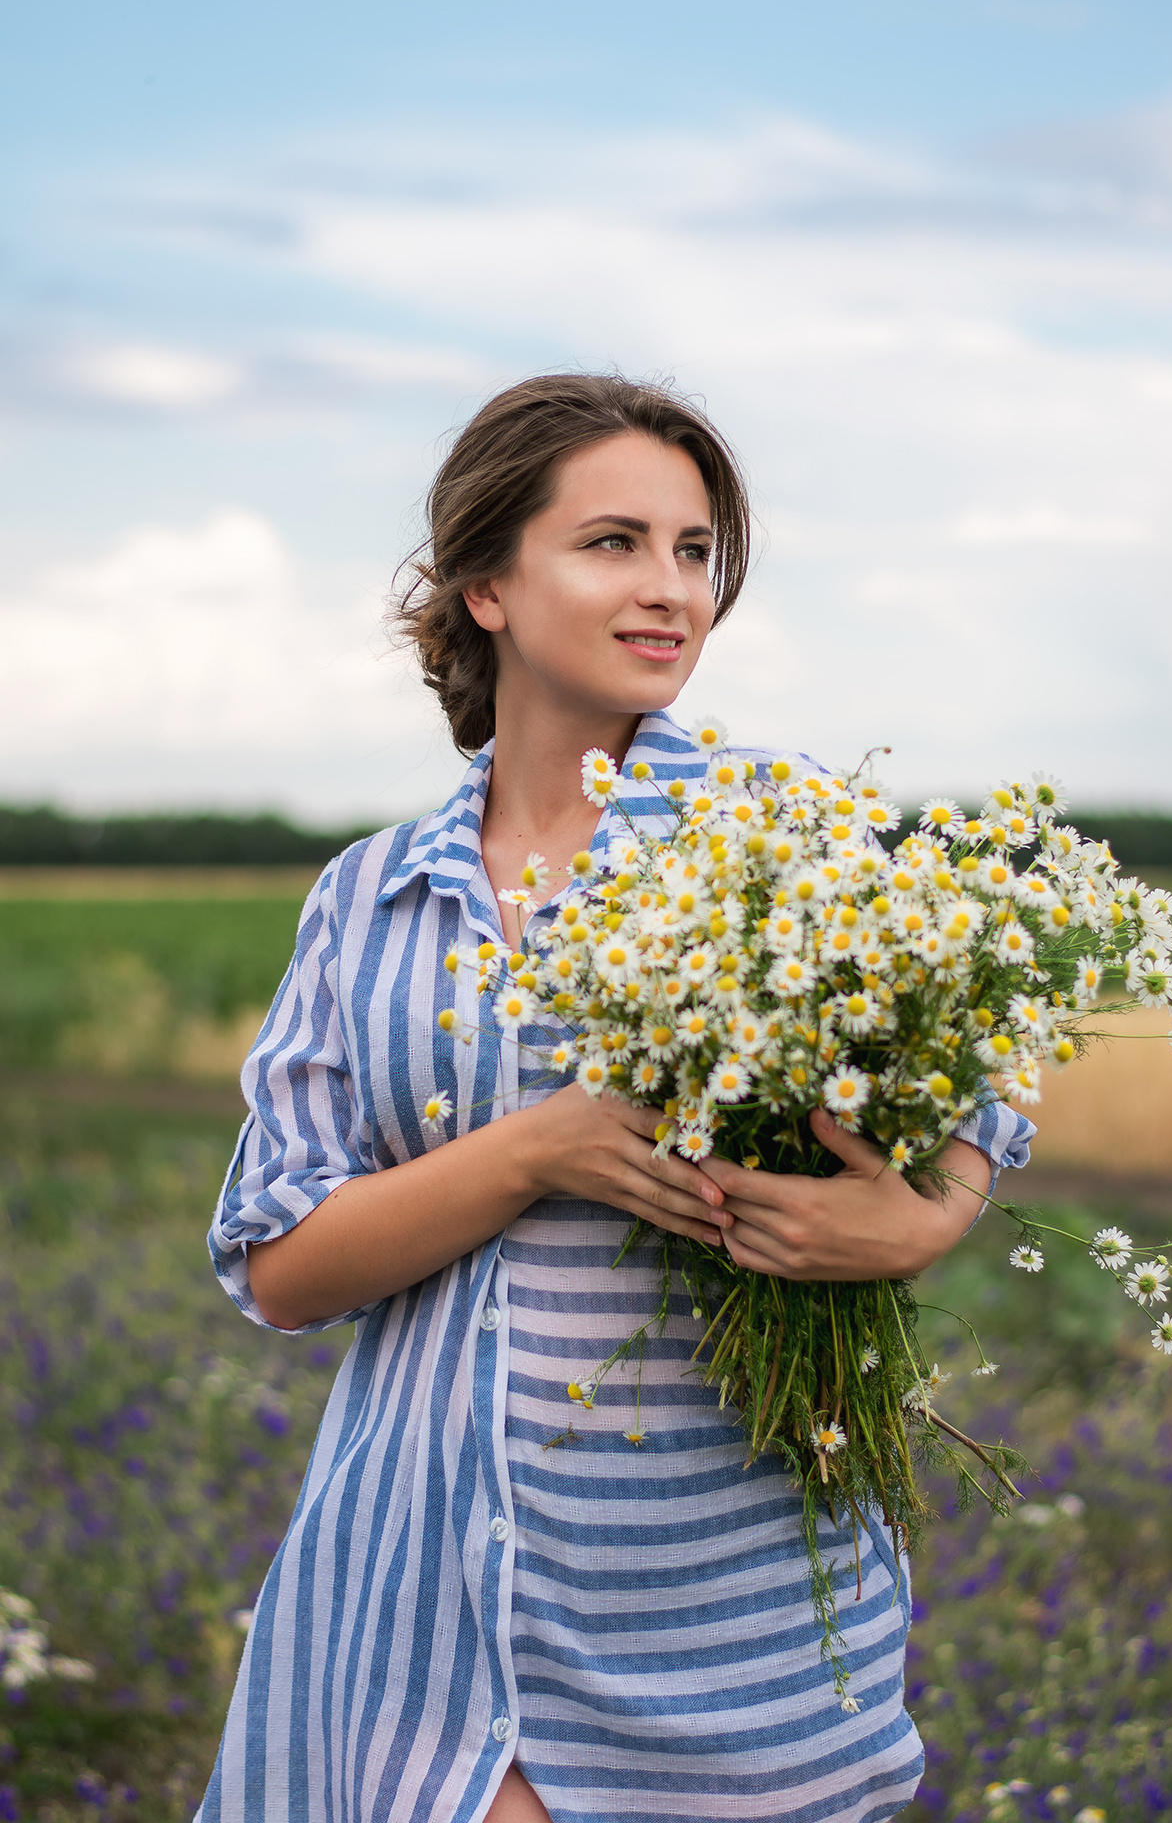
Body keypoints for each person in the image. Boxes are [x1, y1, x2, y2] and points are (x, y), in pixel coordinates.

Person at [197, 374, 1034, 1823]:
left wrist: (918, 1227)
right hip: (420, 1593)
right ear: (486, 588)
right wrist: (534, 1151)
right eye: (613, 543)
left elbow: (985, 1094)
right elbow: (279, 1269)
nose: (671, 590)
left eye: (696, 550)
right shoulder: (369, 898)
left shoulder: (786, 840)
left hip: (722, 1601)